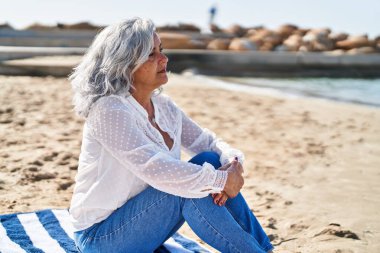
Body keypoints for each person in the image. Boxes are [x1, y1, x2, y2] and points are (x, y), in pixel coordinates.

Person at [68, 17, 273, 253]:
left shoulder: (162, 106)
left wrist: (232, 164)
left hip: (144, 220)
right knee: (188, 188)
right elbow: (154, 168)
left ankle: (264, 249)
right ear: (124, 64)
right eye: (150, 54)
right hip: (101, 237)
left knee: (209, 160)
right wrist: (219, 181)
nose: (163, 59)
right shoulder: (109, 109)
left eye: (161, 50)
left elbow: (205, 142)